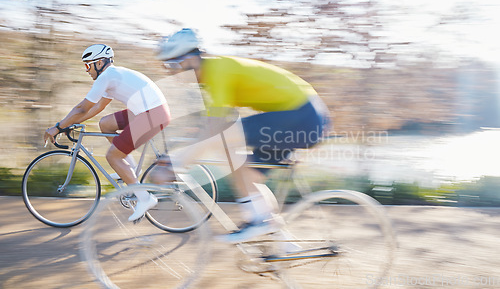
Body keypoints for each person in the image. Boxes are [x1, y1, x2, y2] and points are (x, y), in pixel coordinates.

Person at [157, 28, 330, 243]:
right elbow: (218, 122)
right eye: (166, 66)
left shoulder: (217, 71)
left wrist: (176, 163)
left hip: (301, 115)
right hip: (300, 117)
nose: (171, 72)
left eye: (173, 65)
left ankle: (261, 223)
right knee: (246, 169)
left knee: (224, 142)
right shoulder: (211, 77)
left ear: (191, 59)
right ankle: (281, 242)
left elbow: (216, 128)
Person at [44, 44, 171, 222]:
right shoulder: (112, 76)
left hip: (152, 114)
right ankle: (130, 168)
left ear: (100, 62)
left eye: (88, 65)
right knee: (105, 124)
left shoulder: (107, 77)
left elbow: (82, 107)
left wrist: (58, 127)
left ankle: (144, 198)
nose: (86, 70)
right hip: (146, 112)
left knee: (113, 157)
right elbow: (97, 107)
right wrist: (71, 123)